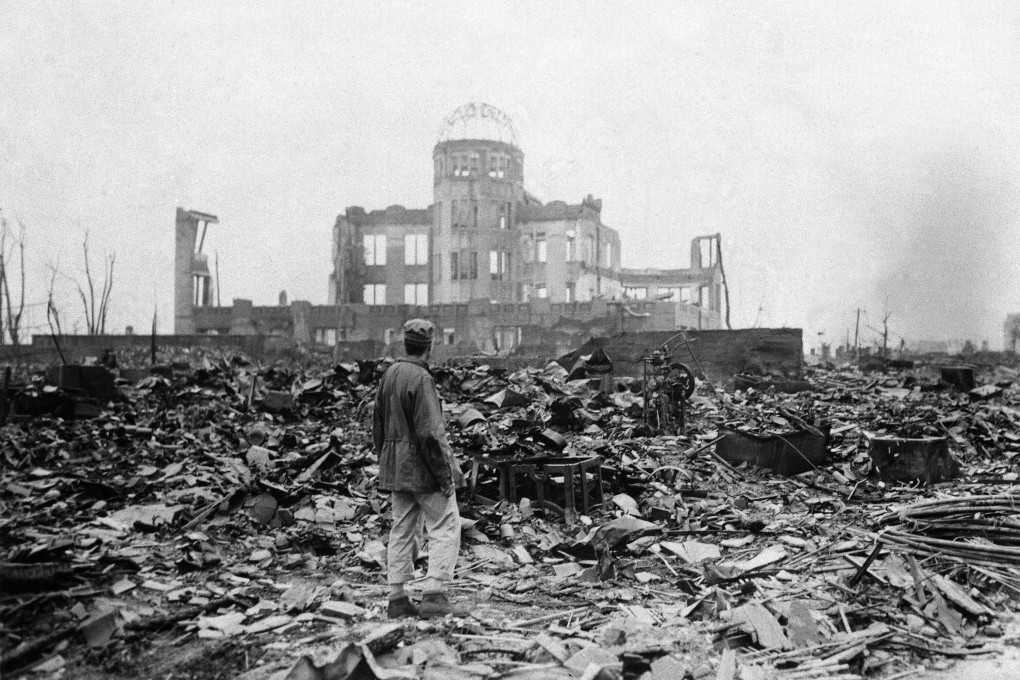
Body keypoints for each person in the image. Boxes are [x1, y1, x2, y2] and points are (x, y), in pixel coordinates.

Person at [373, 318, 465, 619]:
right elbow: (430, 433)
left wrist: (387, 461)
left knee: (402, 528)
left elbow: (378, 426)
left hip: (396, 468)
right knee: (445, 524)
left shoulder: (390, 374)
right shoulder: (421, 379)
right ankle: (435, 593)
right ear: (430, 346)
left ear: (406, 343)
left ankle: (397, 597)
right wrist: (445, 474)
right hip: (422, 469)